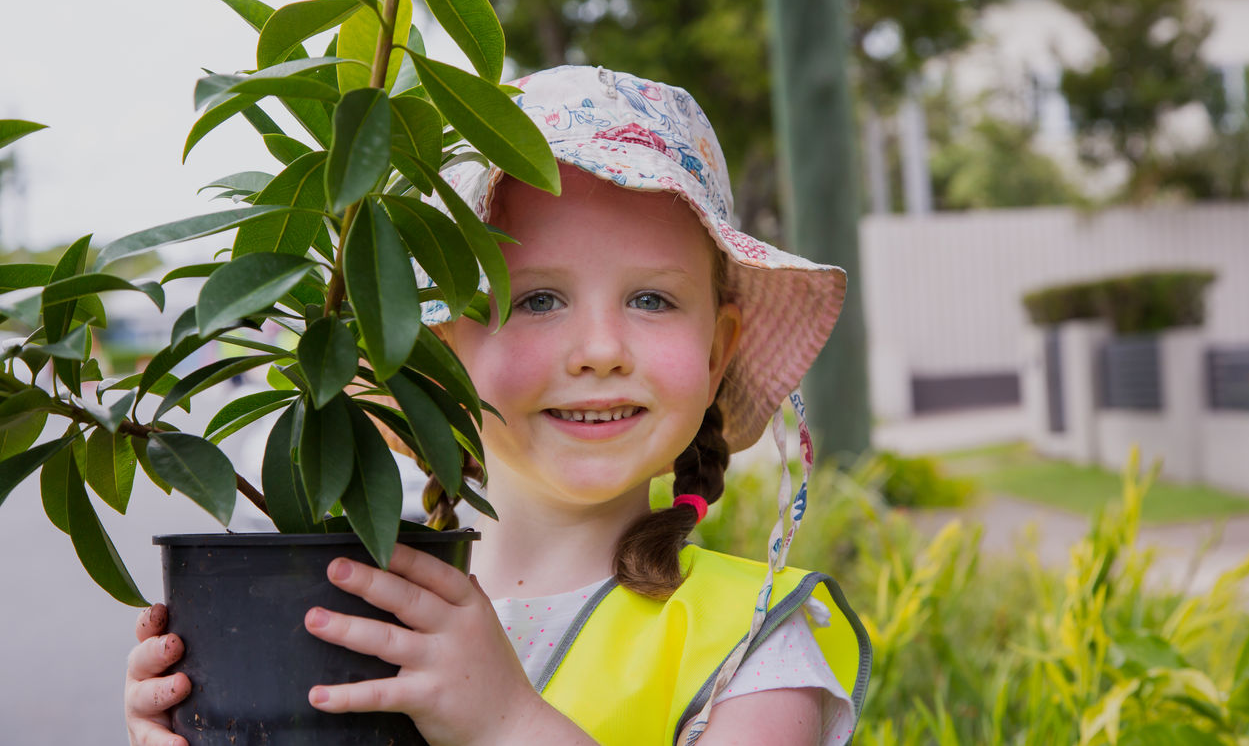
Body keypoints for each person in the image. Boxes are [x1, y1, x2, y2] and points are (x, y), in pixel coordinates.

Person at [124, 65, 872, 746]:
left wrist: (508, 721)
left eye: (653, 297)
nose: (601, 348)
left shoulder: (755, 646)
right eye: (538, 298)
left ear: (718, 352)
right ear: (437, 348)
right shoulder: (357, 610)